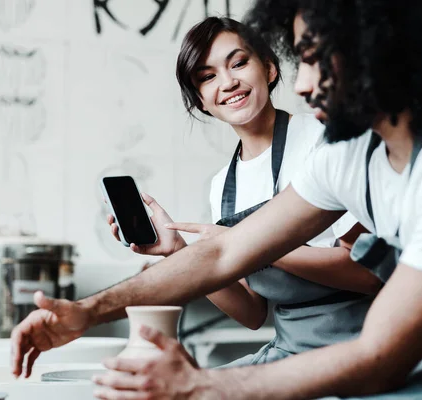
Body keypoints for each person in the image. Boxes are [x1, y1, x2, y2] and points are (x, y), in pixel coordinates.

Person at [12, 1, 422, 399]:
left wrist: (203, 387)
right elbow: (225, 256)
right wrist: (87, 312)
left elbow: (379, 357)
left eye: (314, 57)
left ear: (384, 48)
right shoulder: (352, 150)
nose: (303, 86)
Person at [120, 16, 380, 367]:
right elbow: (252, 312)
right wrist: (180, 253)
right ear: (201, 101)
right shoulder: (222, 187)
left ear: (270, 69)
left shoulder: (323, 140)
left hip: (362, 344)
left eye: (239, 63)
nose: (227, 82)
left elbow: (366, 275)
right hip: (289, 350)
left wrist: (250, 244)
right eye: (208, 77)